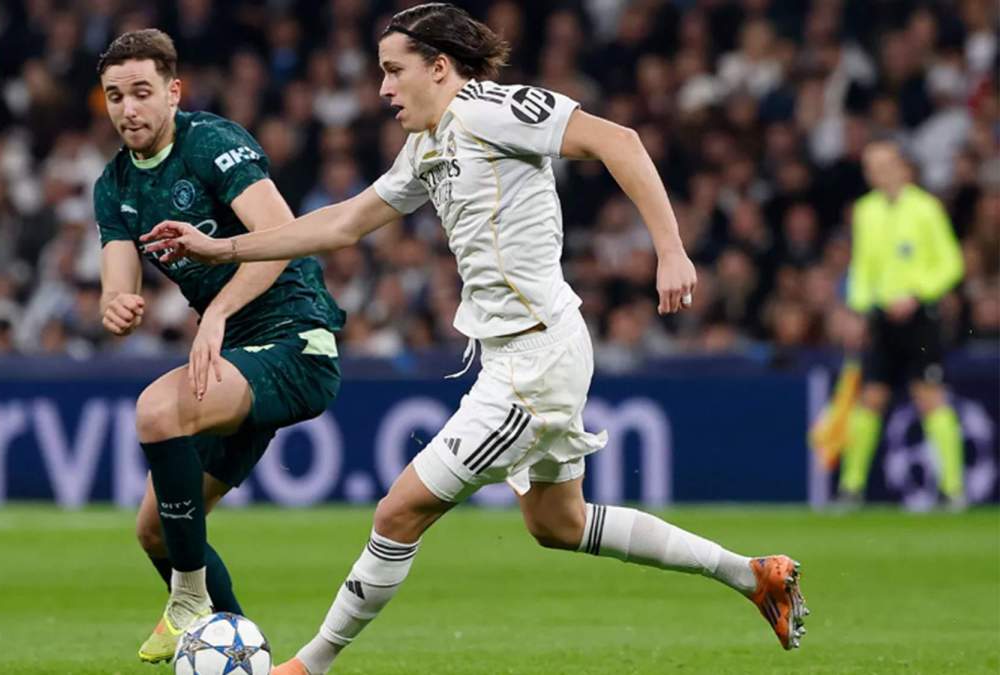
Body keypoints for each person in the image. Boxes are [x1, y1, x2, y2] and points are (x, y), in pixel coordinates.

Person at [140, 5, 807, 671]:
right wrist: (226, 248)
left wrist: (671, 249)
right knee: (558, 523)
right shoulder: (429, 143)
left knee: (398, 510)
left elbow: (620, 140)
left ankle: (305, 665)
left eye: (394, 71)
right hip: (525, 353)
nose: (383, 88)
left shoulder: (490, 110)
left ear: (438, 66)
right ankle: (754, 576)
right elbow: (345, 222)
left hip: (534, 361)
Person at [93, 29, 345, 663]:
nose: (128, 109)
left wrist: (217, 315)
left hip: (294, 338)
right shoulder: (115, 185)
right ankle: (241, 652)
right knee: (156, 530)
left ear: (174, 92)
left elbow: (284, 234)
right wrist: (115, 304)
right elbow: (117, 277)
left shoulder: (211, 143)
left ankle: (187, 600)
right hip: (233, 357)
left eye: (142, 92)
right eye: (115, 95)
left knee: (157, 410)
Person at [838, 139, 966, 508]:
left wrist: (916, 292)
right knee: (871, 397)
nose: (874, 172)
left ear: (901, 167)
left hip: (921, 317)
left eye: (881, 164)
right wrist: (860, 305)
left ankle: (952, 489)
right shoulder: (865, 211)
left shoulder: (925, 209)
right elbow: (862, 267)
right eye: (869, 166)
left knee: (929, 396)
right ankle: (851, 488)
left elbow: (950, 263)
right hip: (882, 318)